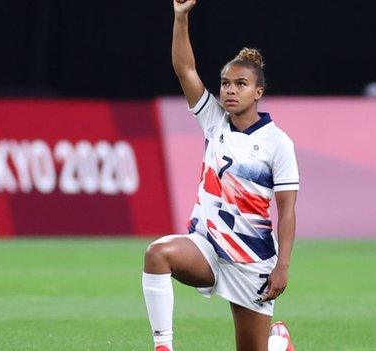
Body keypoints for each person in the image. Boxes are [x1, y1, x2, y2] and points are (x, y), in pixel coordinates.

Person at [141, 1, 299, 350]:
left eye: (240, 84)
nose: (229, 90)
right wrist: (181, 17)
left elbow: (286, 211)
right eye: (225, 83)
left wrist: (283, 266)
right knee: (157, 254)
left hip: (252, 261)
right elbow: (185, 70)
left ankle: (277, 343)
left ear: (258, 92)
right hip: (207, 247)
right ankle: (163, 346)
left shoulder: (278, 144)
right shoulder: (214, 120)